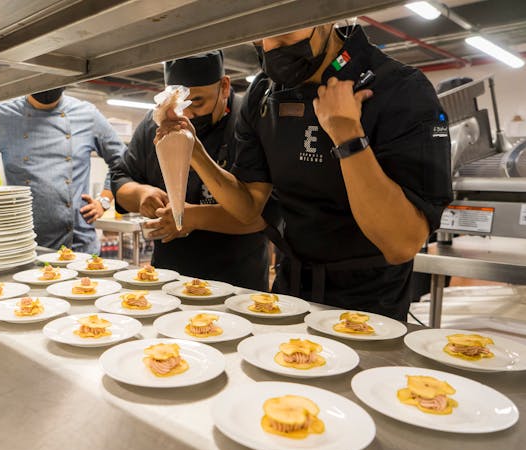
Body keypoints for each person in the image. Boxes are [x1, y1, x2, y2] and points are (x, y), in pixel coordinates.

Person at [155, 23, 453, 320]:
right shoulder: (264, 94)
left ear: (325, 16)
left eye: (286, 31)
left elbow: (402, 244)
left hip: (370, 302)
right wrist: (194, 152)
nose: (270, 47)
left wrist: (348, 138)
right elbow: (248, 208)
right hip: (290, 291)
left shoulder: (399, 89)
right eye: (261, 35)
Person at [110, 51, 273, 290]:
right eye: (178, 104)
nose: (186, 114)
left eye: (197, 102)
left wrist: (192, 217)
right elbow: (120, 179)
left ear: (224, 86)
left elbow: (262, 214)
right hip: (169, 279)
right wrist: (141, 194)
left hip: (236, 282)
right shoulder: (153, 124)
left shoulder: (247, 121)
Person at [0, 87, 125, 254]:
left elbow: (122, 161)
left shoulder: (87, 114)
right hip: (25, 245)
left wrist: (104, 200)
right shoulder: (2, 116)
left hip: (79, 246)